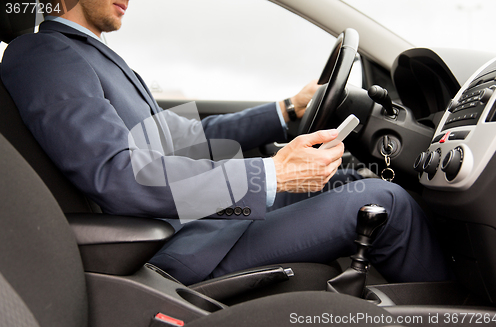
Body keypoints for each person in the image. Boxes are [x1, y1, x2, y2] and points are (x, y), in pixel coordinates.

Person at [1, 0, 450, 285]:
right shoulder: (45, 54)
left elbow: (187, 139)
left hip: (197, 219)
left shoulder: (92, 56)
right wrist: (273, 172)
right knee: (381, 199)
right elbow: (115, 174)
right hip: (175, 241)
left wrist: (288, 109)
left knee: (345, 178)